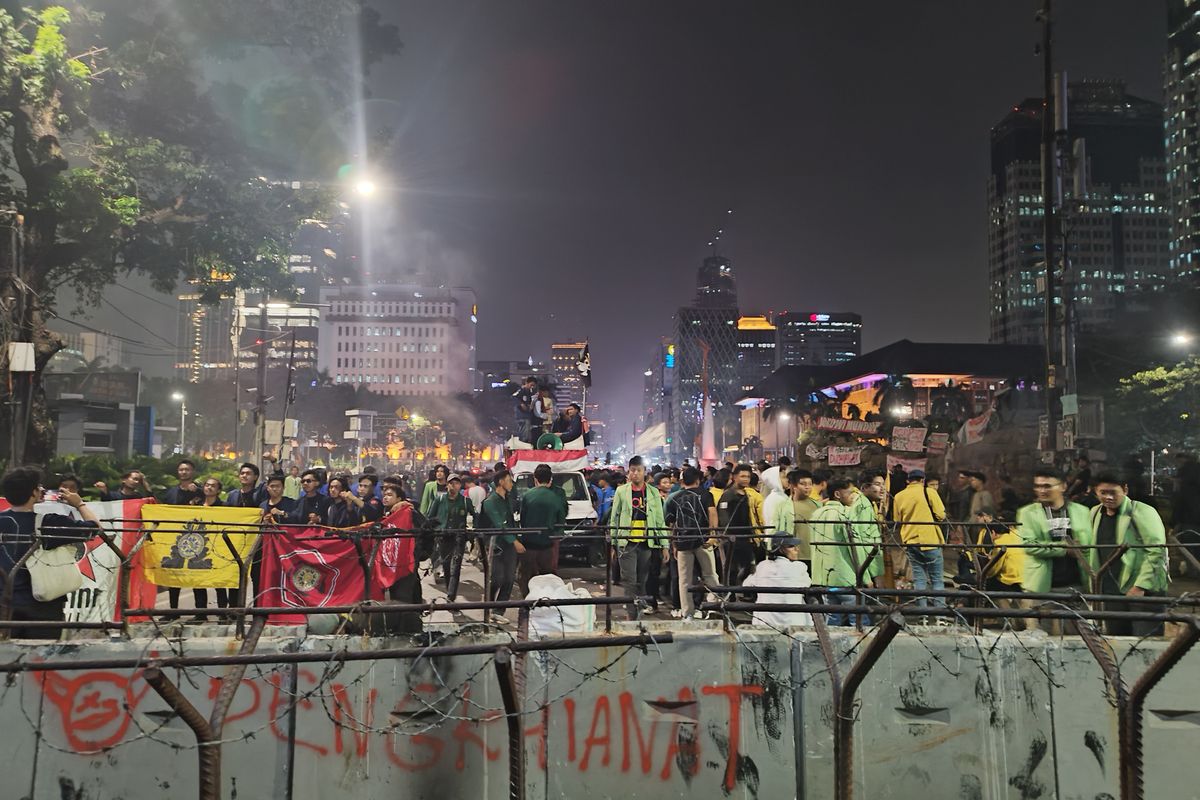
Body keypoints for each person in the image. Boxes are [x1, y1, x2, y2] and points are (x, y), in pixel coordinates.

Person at [0, 467, 100, 638]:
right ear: (33, 493)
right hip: (43, 606)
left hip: (4, 603)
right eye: (39, 487)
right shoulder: (48, 522)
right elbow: (94, 529)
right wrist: (79, 504)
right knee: (41, 658)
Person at [1016, 468, 1095, 634]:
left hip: (1076, 583)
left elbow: (1089, 544)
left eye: (1047, 486)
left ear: (1063, 486)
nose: (1041, 490)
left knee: (1079, 634)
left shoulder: (1082, 511)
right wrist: (1064, 549)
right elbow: (1029, 545)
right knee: (1042, 635)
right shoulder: (1027, 513)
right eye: (1037, 486)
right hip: (1042, 584)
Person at [1089, 472, 1169, 637]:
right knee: (1118, 641)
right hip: (1111, 590)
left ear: (1125, 490)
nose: (1108, 497)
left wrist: (1141, 586)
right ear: (1095, 491)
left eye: (1113, 492)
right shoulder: (1095, 512)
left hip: (1142, 591)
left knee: (1145, 642)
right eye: (1103, 492)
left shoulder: (1142, 511)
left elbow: (1156, 549)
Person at [811, 478, 883, 626]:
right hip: (846, 577)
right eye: (850, 493)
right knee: (858, 620)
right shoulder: (844, 516)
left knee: (832, 620)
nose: (853, 496)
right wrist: (866, 577)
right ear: (838, 494)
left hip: (824, 577)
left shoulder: (816, 514)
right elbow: (854, 547)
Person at [609, 456, 667, 618]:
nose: (635, 474)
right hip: (626, 542)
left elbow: (660, 519)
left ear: (644, 472)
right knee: (630, 580)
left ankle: (639, 612)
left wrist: (664, 545)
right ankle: (631, 615)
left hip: (646, 542)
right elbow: (614, 517)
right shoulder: (621, 491)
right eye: (632, 470)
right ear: (628, 472)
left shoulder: (653, 492)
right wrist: (614, 543)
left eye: (638, 470)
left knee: (642, 580)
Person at [666, 467, 720, 620]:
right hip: (703, 541)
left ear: (682, 481)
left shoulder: (674, 497)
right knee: (710, 575)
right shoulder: (706, 494)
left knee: (684, 579)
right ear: (698, 480)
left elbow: (671, 523)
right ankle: (713, 606)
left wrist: (674, 543)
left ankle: (687, 612)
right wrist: (713, 535)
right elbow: (712, 513)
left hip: (683, 542)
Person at [892, 470, 949, 616]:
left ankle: (922, 613)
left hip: (911, 540)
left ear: (908, 481)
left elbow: (897, 520)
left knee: (919, 579)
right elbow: (941, 515)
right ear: (922, 480)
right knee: (937, 579)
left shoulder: (899, 496)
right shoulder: (930, 492)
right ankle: (939, 614)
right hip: (930, 540)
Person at [742, 532, 813, 629]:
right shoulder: (799, 567)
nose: (797, 549)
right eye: (792, 546)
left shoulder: (763, 566)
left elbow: (746, 585)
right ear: (781, 549)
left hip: (765, 624)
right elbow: (807, 583)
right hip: (794, 624)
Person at [517, 464, 564, 597]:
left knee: (526, 575)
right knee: (547, 576)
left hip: (529, 544)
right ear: (550, 480)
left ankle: (527, 602)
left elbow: (523, 519)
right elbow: (560, 521)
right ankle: (543, 601)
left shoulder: (527, 495)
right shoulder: (556, 497)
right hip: (547, 545)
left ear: (535, 479)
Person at [479, 469, 518, 618]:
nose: (511, 484)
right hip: (496, 545)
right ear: (501, 481)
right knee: (496, 578)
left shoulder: (507, 498)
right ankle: (489, 606)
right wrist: (515, 541)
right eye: (509, 480)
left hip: (509, 544)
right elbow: (499, 524)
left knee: (509, 578)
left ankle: (499, 610)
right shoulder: (490, 502)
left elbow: (509, 522)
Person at [717, 464, 763, 586]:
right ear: (734, 477)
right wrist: (727, 536)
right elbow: (723, 517)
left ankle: (741, 589)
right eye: (742, 476)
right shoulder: (728, 495)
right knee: (731, 569)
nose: (745, 479)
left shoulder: (747, 495)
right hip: (731, 539)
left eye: (748, 476)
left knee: (749, 566)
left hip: (746, 538)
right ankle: (730, 595)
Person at [428, 474, 473, 600]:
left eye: (457, 483)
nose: (454, 486)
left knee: (456, 566)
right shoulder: (440, 500)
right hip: (443, 537)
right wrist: (434, 531)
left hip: (459, 538)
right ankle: (449, 589)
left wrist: (471, 530)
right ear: (447, 485)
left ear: (460, 486)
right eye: (451, 483)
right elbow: (430, 517)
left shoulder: (465, 501)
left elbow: (475, 516)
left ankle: (451, 596)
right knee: (446, 565)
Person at [773, 469, 820, 576]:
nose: (807, 487)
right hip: (795, 555)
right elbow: (776, 530)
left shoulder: (818, 506)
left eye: (810, 484)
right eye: (803, 484)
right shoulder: (783, 507)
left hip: (815, 554)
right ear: (794, 486)